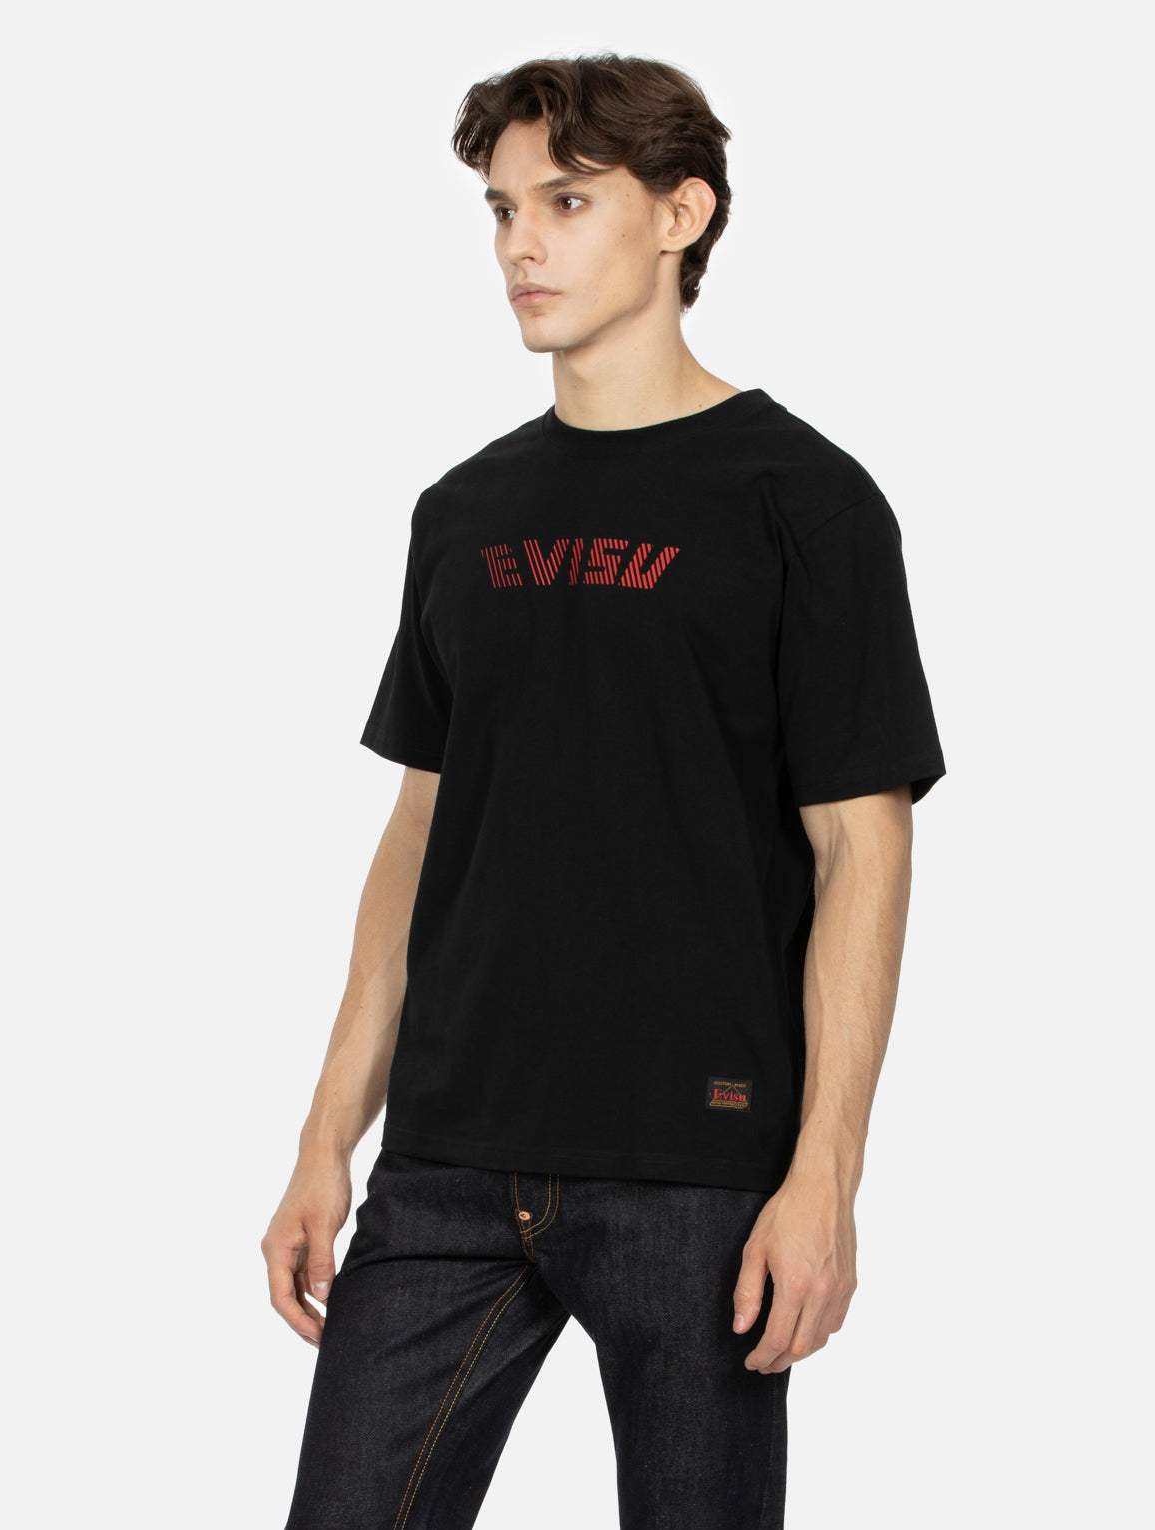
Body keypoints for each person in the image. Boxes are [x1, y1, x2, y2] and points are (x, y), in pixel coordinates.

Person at [262, 52, 947, 1530]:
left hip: (695, 1173)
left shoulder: (805, 503)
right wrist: (327, 1138)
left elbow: (863, 848)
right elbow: (422, 833)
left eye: (567, 202)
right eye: (503, 209)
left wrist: (825, 1175)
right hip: (446, 1161)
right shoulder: (465, 511)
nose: (522, 243)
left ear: (681, 214)